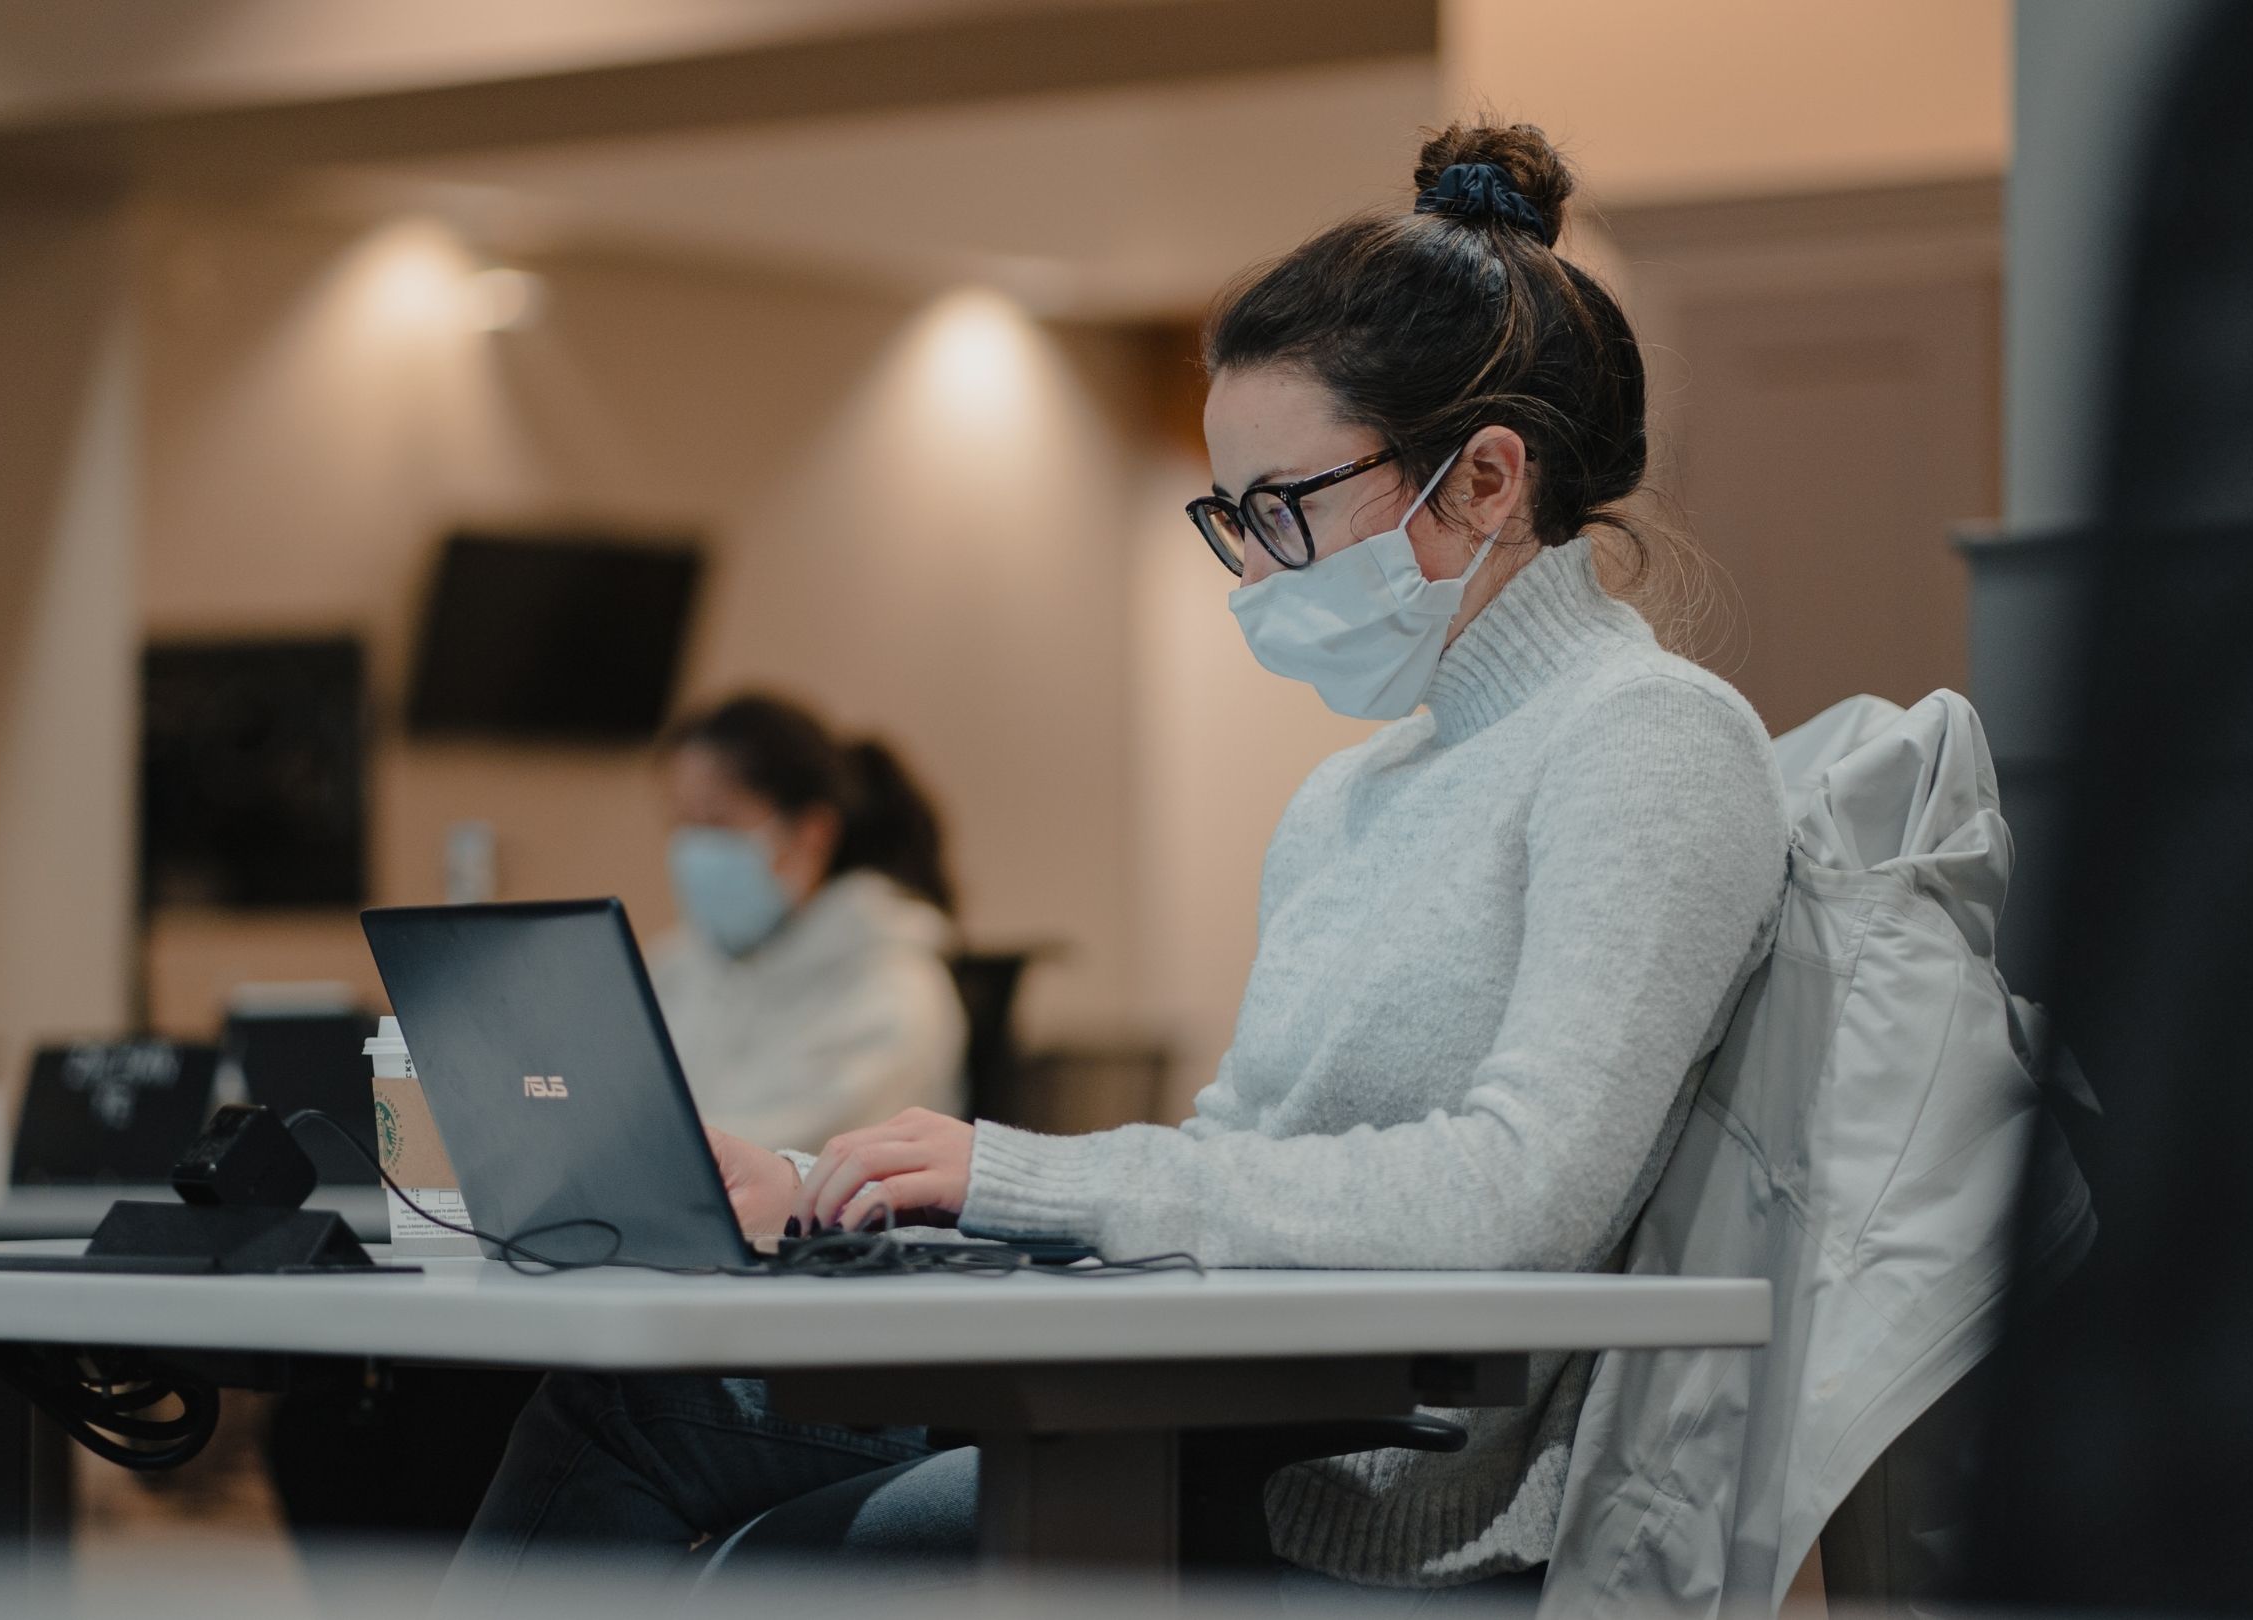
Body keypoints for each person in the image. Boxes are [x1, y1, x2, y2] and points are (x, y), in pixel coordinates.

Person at [449, 123, 1791, 1603]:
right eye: (1235, 519)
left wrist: (1016, 1179)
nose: (1258, 570)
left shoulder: (1651, 740)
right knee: (619, 1413)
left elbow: (1524, 1195)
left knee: (767, 1557)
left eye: (1285, 510)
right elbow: (1232, 1169)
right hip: (1207, 1408)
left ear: (1484, 481)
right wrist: (868, 1202)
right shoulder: (1352, 795)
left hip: (1363, 1480)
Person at [646, 692, 966, 1151]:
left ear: (811, 833)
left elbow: (780, 1168)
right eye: (683, 824)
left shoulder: (892, 992)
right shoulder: (684, 965)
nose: (694, 850)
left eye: (718, 823)